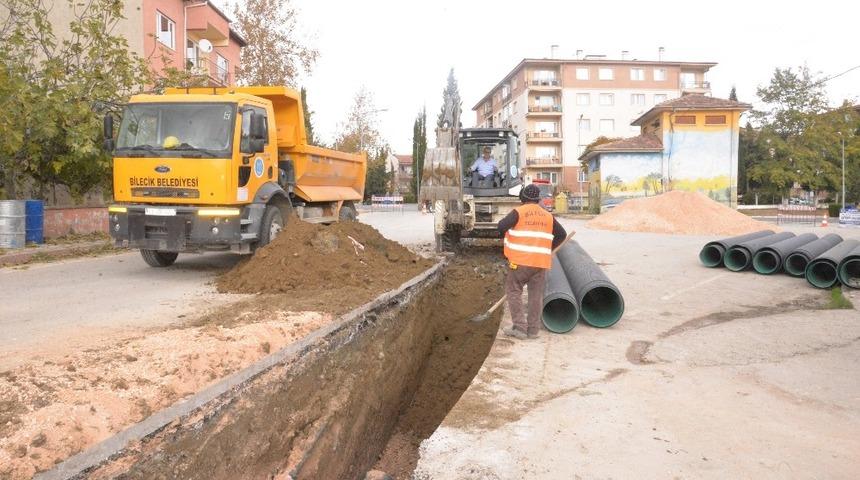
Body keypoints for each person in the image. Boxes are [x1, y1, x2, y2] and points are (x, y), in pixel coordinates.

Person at [497, 183, 569, 339]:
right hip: (540, 263)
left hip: (520, 262)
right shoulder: (548, 216)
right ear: (538, 199)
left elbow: (501, 226)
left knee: (513, 291)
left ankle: (520, 328)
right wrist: (547, 249)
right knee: (536, 295)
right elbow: (562, 234)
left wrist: (506, 235)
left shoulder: (518, 212)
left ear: (522, 198)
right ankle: (533, 330)